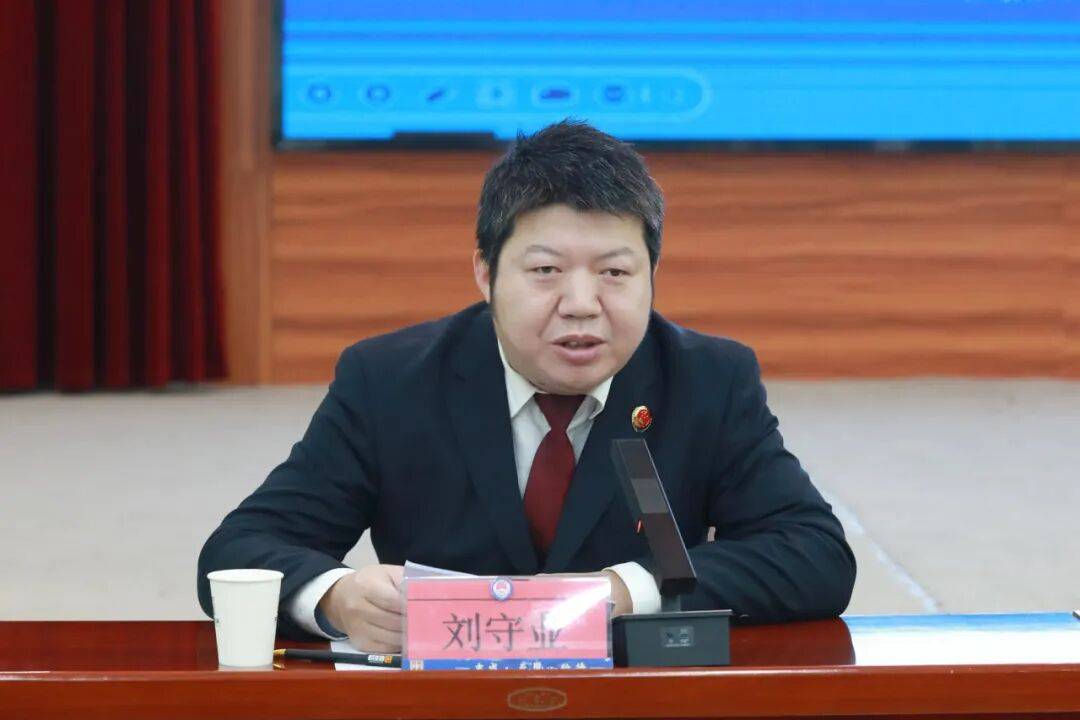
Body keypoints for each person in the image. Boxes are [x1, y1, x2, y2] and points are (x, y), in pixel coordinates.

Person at [197, 120, 856, 651]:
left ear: (652, 274)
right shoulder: (389, 380)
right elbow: (238, 551)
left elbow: (815, 554)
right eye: (545, 271)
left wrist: (627, 590)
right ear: (485, 274)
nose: (582, 305)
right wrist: (337, 596)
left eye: (615, 273)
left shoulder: (708, 378)